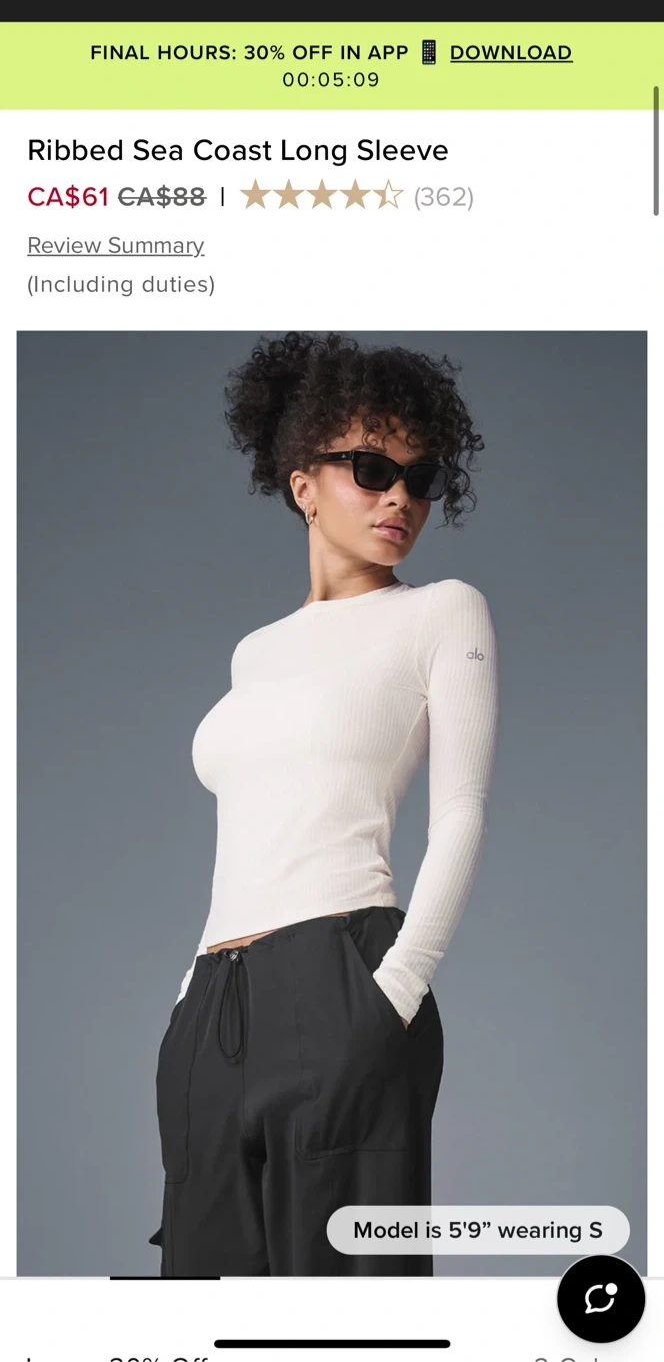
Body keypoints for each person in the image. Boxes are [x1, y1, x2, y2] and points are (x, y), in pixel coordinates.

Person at [149, 331, 500, 1277]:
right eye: (372, 468)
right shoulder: (256, 652)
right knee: (203, 1312)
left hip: (343, 976)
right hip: (212, 1005)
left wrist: (396, 989)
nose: (400, 498)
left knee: (344, 1320)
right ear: (302, 483)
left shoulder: (441, 612)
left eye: (421, 478)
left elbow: (462, 810)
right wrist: (187, 1001)